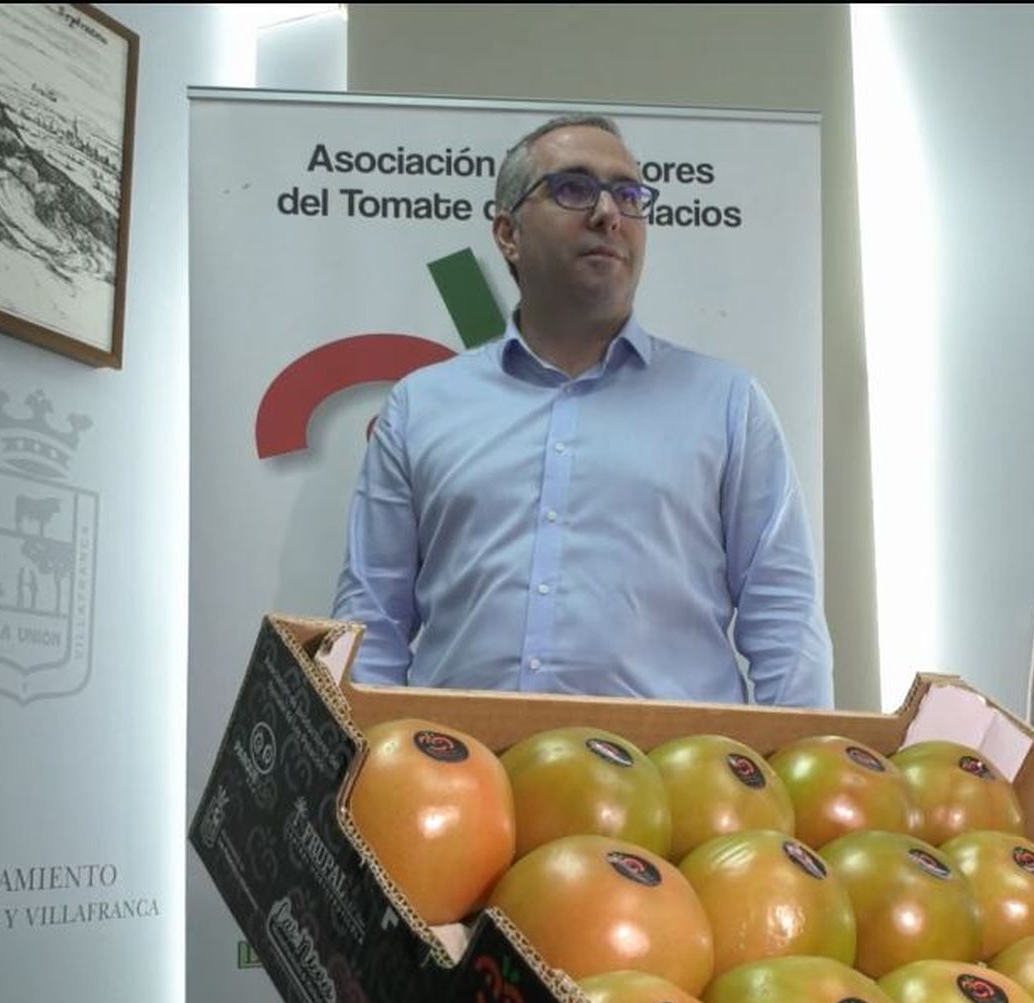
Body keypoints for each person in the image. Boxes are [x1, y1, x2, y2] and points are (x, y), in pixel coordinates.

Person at [332, 113, 833, 707]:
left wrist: (798, 784)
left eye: (628, 194)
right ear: (507, 234)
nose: (608, 213)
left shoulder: (727, 404)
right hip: (463, 780)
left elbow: (785, 618)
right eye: (573, 189)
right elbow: (371, 624)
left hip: (675, 787)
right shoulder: (421, 406)